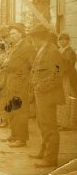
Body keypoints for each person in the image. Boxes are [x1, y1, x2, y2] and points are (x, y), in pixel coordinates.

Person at [28, 25, 65, 167]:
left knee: (50, 126)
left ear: (38, 38)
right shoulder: (43, 50)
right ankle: (43, 151)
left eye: (33, 38)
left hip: (48, 95)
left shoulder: (52, 51)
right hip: (41, 94)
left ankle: (51, 159)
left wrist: (42, 86)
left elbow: (57, 73)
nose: (32, 41)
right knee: (42, 124)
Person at [0, 23, 36, 147]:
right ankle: (14, 134)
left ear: (21, 34)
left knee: (20, 111)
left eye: (14, 34)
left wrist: (8, 64)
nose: (12, 36)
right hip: (12, 82)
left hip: (21, 84)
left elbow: (32, 66)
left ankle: (21, 139)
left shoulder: (27, 47)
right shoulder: (15, 47)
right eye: (10, 34)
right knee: (12, 110)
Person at [56, 33, 77, 130]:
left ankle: (67, 124)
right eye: (61, 40)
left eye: (65, 40)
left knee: (67, 100)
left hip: (68, 78)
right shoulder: (60, 50)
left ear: (68, 41)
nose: (63, 42)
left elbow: (68, 65)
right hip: (61, 78)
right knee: (61, 99)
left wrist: (59, 70)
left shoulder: (70, 51)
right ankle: (61, 122)